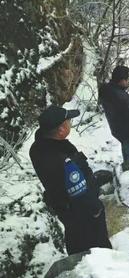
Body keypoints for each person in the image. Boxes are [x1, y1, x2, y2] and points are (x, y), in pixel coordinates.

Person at [29, 105, 112, 254]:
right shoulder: (64, 159)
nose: (70, 124)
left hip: (62, 205)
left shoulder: (37, 148)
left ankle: (76, 258)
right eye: (69, 122)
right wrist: (97, 209)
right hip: (79, 210)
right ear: (60, 130)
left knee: (74, 235)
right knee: (96, 245)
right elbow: (80, 193)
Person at [99, 65, 129, 171]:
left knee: (126, 149)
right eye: (127, 79)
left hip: (117, 130)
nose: (128, 82)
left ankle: (127, 164)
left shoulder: (106, 91)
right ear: (121, 80)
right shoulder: (123, 97)